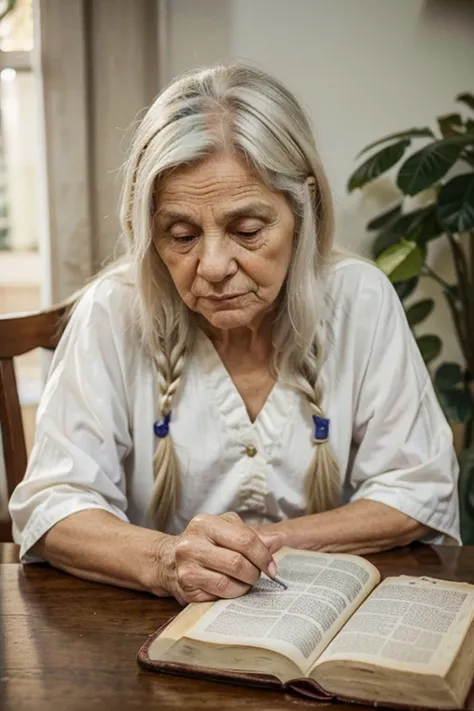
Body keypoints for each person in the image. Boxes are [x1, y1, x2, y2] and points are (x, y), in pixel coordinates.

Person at [9, 63, 460, 605]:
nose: (214, 265)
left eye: (248, 231)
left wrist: (256, 548)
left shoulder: (360, 300)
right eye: (181, 234)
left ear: (304, 210)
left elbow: (416, 488)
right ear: (148, 230)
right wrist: (166, 562)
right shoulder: (112, 311)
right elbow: (53, 502)